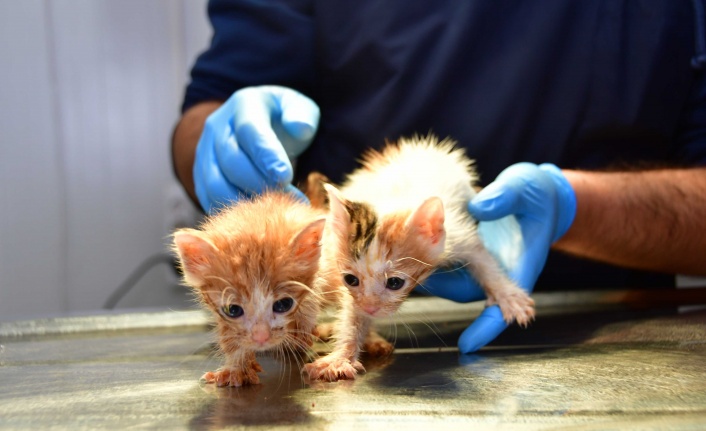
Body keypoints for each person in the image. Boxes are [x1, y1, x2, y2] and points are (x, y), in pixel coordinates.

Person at [172, 0, 706, 353]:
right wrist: (218, 148)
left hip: (598, 326)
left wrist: (575, 207)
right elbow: (202, 108)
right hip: (315, 281)